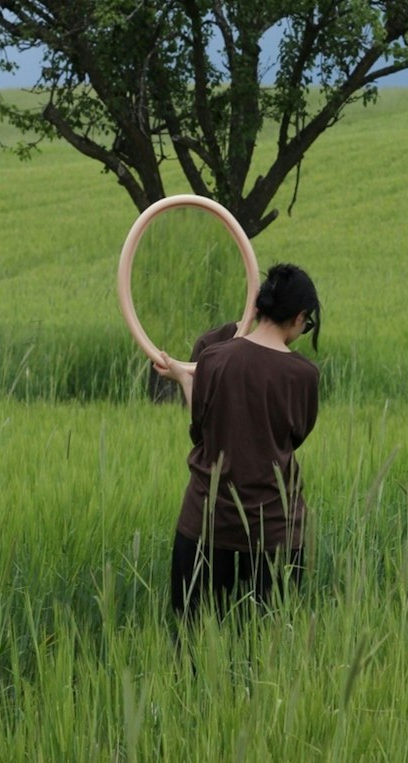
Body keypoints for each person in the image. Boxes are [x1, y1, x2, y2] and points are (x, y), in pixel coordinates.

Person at [154, 262, 321, 622]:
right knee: (265, 659)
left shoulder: (214, 357)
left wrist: (185, 378)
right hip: (276, 532)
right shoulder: (304, 376)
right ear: (300, 317)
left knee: (191, 648)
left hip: (207, 524)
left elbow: (202, 427)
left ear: (258, 307)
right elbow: (294, 437)